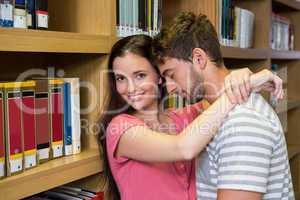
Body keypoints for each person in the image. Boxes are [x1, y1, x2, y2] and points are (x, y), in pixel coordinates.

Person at [98, 35, 283, 200]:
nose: (130, 88)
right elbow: (183, 148)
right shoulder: (120, 128)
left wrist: (244, 76)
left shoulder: (184, 117)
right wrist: (245, 85)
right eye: (120, 78)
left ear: (159, 76)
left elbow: (215, 92)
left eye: (140, 75)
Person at [153, 12, 294, 199]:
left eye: (171, 75)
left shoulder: (244, 122)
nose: (169, 88)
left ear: (198, 58)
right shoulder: (212, 110)